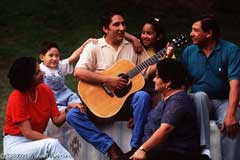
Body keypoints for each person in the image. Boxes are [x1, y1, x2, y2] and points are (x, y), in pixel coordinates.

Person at [66, 10, 152, 160]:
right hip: (99, 105)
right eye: (116, 24)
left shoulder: (133, 46)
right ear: (105, 29)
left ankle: (136, 148)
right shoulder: (94, 46)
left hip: (125, 104)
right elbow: (79, 72)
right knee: (73, 115)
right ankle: (111, 148)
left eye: (124, 24)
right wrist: (107, 80)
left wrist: (165, 57)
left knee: (142, 96)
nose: (122, 28)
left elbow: (147, 71)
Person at [181, 15, 240, 160]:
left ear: (208, 33)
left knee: (234, 123)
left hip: (224, 101)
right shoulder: (189, 51)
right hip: (200, 102)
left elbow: (235, 84)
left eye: (195, 30)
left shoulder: (231, 50)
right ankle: (204, 150)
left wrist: (231, 113)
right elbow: (181, 84)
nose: (191, 34)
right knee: (200, 95)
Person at [128, 58, 200, 160]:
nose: (153, 80)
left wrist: (142, 149)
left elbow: (166, 129)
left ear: (168, 83)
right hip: (155, 152)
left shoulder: (178, 100)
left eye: (157, 77)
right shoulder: (166, 98)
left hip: (173, 154)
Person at [3, 57, 74, 160]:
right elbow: (28, 133)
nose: (43, 73)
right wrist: (51, 140)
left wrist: (68, 109)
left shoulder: (46, 90)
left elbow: (57, 120)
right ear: (27, 79)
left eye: (40, 70)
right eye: (37, 73)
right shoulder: (17, 97)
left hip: (36, 143)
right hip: (16, 146)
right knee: (52, 145)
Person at [39, 40, 94, 112]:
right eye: (51, 55)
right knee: (66, 112)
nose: (54, 58)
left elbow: (73, 57)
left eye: (57, 56)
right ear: (42, 57)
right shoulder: (39, 70)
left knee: (83, 107)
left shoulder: (60, 65)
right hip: (54, 102)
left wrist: (85, 44)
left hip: (68, 96)